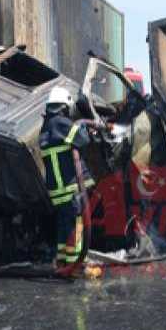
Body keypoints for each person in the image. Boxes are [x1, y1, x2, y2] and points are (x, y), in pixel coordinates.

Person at [39, 86, 98, 278]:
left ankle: (62, 259)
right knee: (76, 224)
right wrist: (85, 126)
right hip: (70, 185)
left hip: (57, 189)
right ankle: (76, 264)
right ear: (64, 107)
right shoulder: (61, 124)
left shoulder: (46, 127)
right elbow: (82, 139)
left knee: (64, 224)